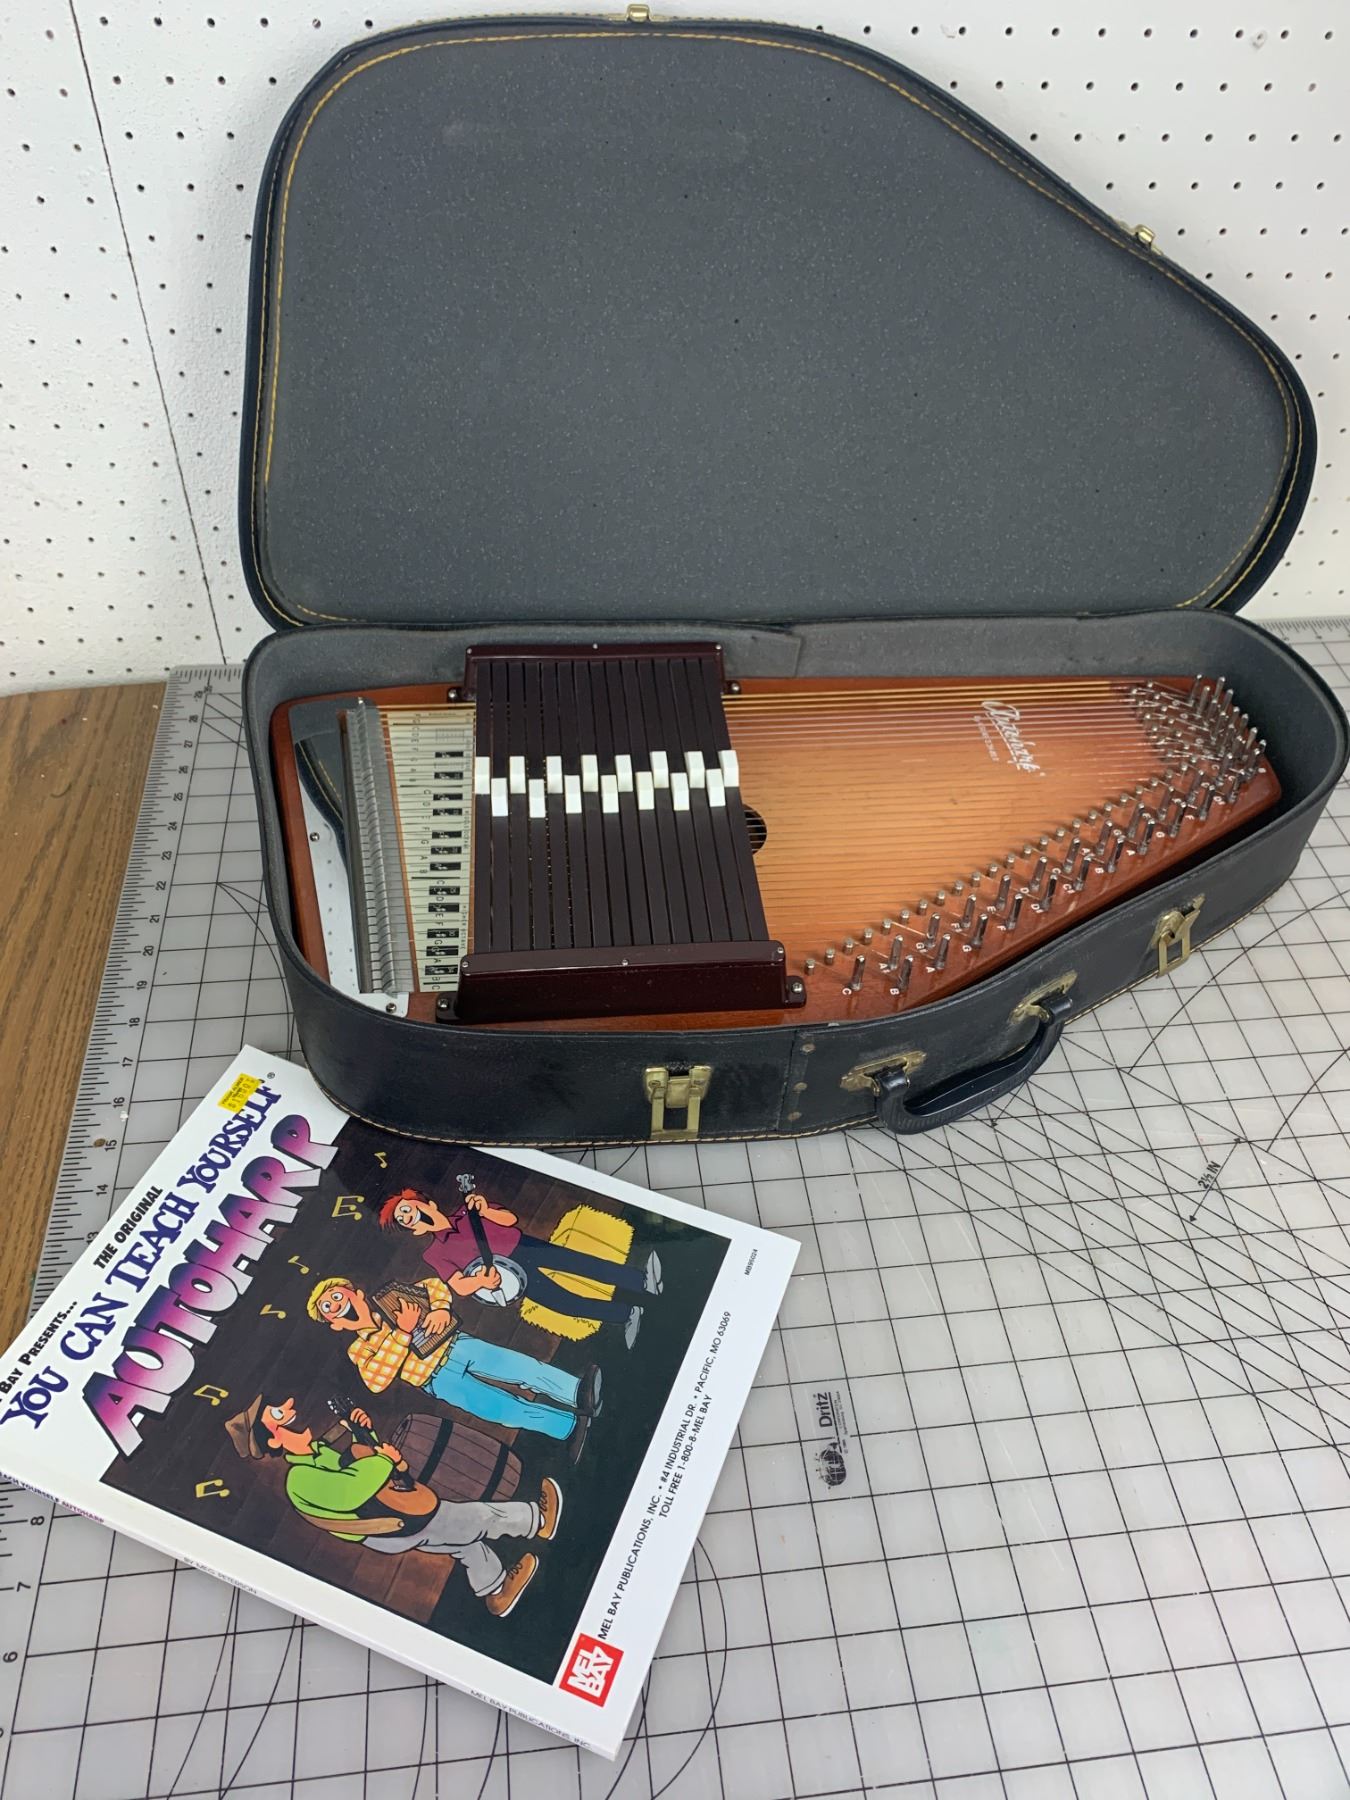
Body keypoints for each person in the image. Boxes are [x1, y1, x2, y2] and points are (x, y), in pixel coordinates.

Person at [223, 1392, 562, 1618]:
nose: (290, 1408)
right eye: (278, 1415)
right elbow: (353, 1490)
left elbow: (358, 1464)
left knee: (464, 1544)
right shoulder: (298, 1480)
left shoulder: (318, 1453)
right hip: (392, 1523)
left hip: (393, 1519)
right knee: (473, 1518)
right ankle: (536, 1521)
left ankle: (497, 1592)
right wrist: (384, 1460)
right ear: (274, 1438)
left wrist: (363, 1433)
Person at [305, 1274, 601, 1458]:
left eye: (337, 1297)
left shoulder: (390, 1299)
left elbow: (434, 1287)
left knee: (520, 1368)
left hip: (457, 1345)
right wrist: (404, 1333)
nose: (337, 1305)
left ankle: (577, 1392)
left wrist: (440, 1309)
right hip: (436, 1379)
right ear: (335, 1324)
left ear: (356, 1294)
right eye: (329, 1308)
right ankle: (567, 1427)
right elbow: (376, 1380)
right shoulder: (360, 1349)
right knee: (500, 1409)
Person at [380, 1186, 662, 1348]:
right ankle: (625, 1314)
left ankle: (641, 1281)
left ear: (429, 1204)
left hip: (523, 1246)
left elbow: (509, 1219)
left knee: (582, 1264)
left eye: (410, 1208)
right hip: (509, 1278)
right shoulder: (435, 1253)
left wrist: (485, 1210)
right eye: (405, 1219)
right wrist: (480, 1282)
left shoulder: (468, 1210)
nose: (410, 1215)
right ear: (415, 1231)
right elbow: (458, 1285)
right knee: (564, 1302)